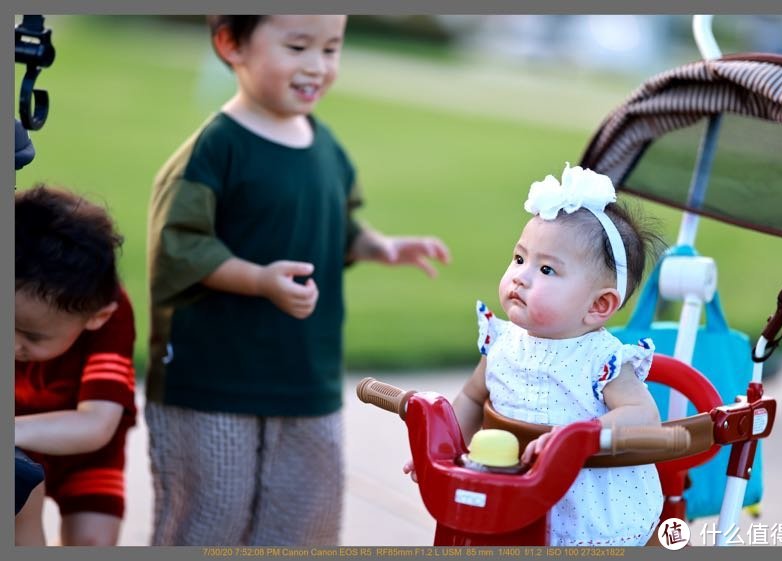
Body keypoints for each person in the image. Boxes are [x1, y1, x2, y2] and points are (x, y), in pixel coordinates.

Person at [145, 14, 450, 546]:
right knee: (208, 520)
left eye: (331, 48)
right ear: (230, 44)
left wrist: (379, 246)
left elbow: (335, 223)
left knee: (303, 521)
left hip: (305, 378)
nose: (317, 65)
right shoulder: (216, 148)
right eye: (297, 46)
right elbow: (180, 246)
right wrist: (259, 280)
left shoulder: (324, 146)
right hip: (214, 381)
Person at [408, 163, 665, 546]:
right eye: (519, 259)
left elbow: (644, 417)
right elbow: (473, 398)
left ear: (599, 305)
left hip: (586, 514)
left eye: (546, 269)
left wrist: (586, 435)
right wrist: (443, 452)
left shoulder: (602, 360)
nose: (521, 276)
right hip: (510, 503)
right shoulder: (501, 342)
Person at [15, 185, 137, 546]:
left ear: (97, 317)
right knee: (21, 521)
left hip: (85, 457)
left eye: (32, 337)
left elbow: (96, 425)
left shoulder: (111, 316)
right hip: (19, 446)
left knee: (92, 543)